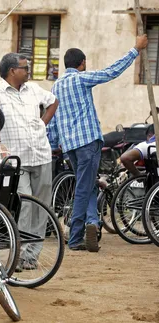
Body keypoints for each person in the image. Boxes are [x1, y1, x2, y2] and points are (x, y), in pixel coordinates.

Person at [50, 34, 149, 252]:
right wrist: (135, 49)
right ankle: (75, 237)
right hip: (87, 143)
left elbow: (53, 117)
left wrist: (53, 143)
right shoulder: (81, 79)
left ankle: (93, 223)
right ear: (82, 63)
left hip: (69, 147)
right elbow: (110, 72)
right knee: (84, 188)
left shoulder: (56, 86)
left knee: (89, 184)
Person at [0, 53, 59, 271]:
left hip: (41, 155)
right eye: (24, 68)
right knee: (25, 205)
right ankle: (18, 253)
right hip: (15, 160)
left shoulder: (34, 89)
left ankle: (31, 256)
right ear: (12, 71)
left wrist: (42, 123)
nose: (27, 71)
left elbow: (53, 101)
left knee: (42, 207)